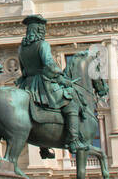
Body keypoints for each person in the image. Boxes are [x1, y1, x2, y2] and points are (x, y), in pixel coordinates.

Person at [15, 15, 74, 154]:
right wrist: (61, 76)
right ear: (39, 30)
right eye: (42, 28)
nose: (43, 31)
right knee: (69, 102)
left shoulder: (21, 49)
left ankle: (44, 146)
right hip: (41, 85)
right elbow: (49, 63)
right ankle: (74, 139)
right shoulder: (43, 45)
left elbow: (23, 69)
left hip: (26, 85)